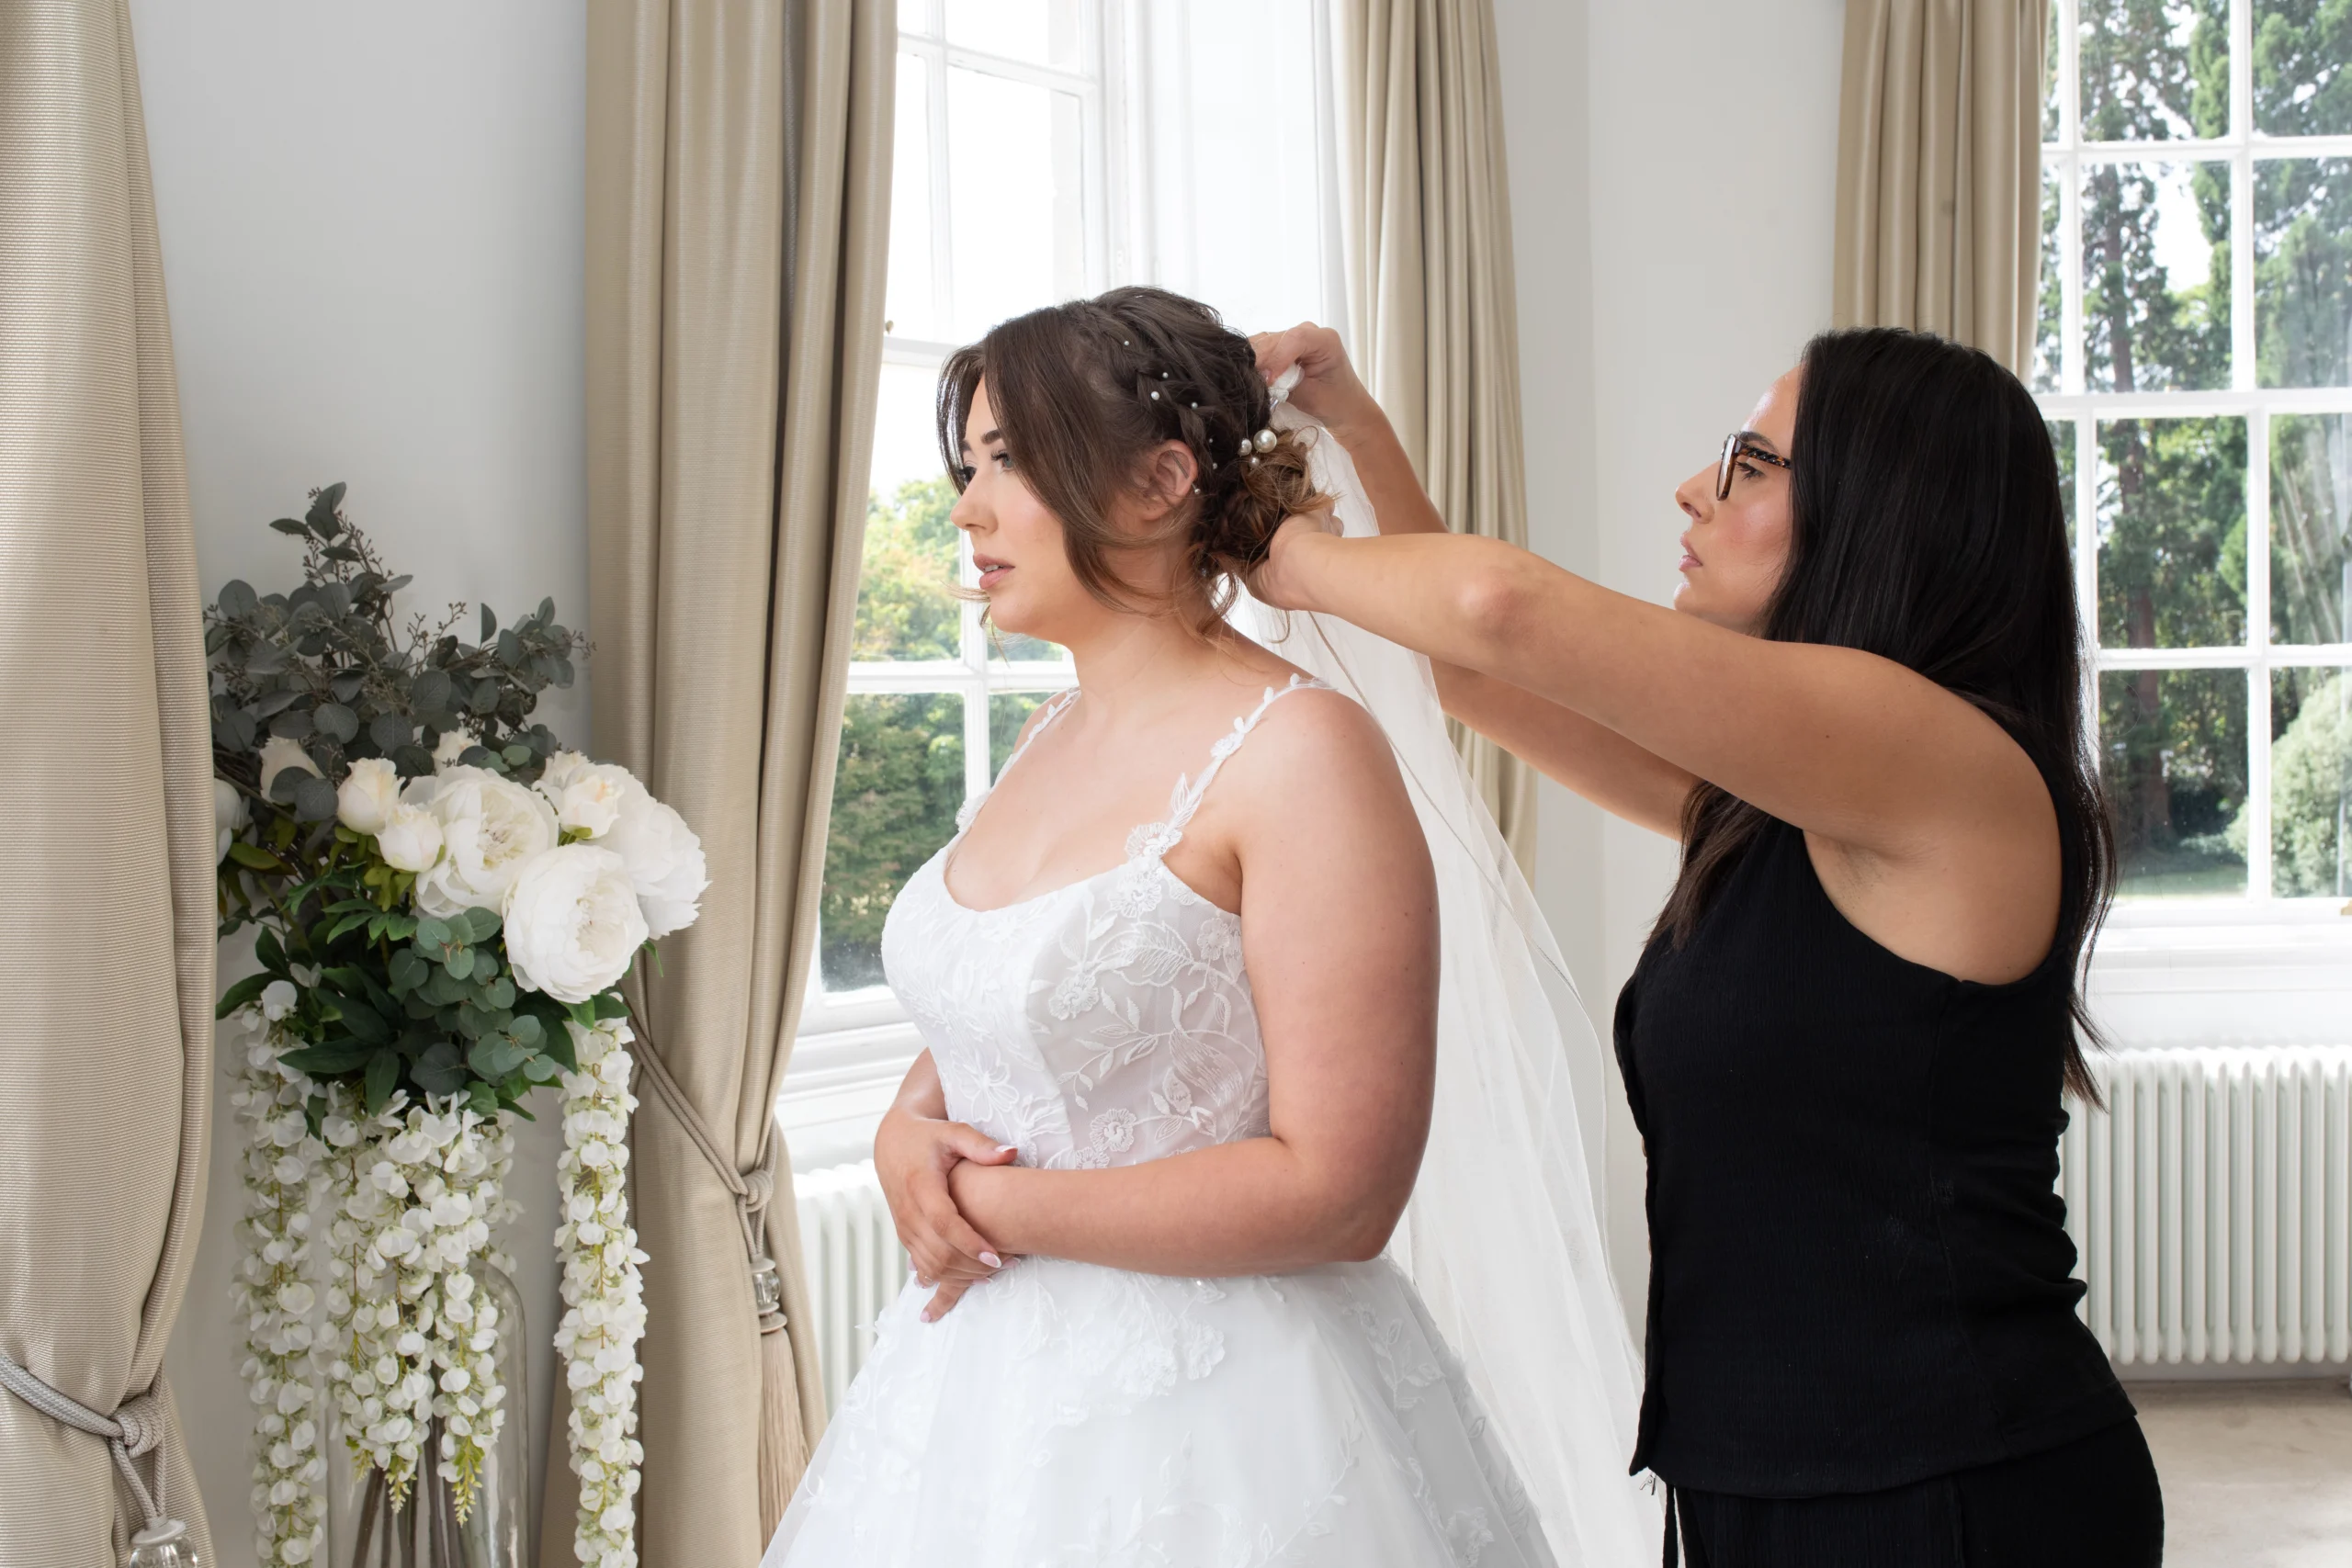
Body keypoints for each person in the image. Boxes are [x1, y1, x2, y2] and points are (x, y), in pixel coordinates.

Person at [1241, 322, 2166, 1567]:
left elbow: (1499, 608)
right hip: (1752, 1477)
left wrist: (1272, 549)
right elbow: (1468, 671)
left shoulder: (1938, 760)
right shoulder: (1785, 793)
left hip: (1949, 1490)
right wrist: (1354, 424)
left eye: (1751, 462)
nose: (1696, 487)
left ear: (1879, 509)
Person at [763, 286, 1572, 1566]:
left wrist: (991, 1208)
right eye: (968, 466)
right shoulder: (1046, 737)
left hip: (1229, 1427)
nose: (966, 509)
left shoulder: (1301, 754)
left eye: (1010, 463)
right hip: (972, 1408)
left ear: (1161, 480)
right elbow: (1004, 1025)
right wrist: (899, 1130)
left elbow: (1340, 1189)